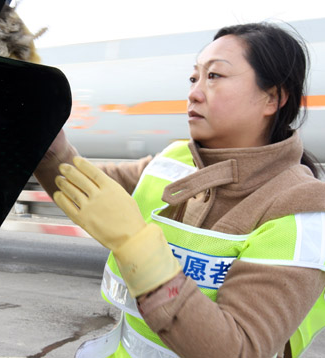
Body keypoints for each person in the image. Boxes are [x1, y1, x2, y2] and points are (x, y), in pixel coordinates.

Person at [33, 22, 325, 358]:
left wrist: (135, 243)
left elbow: (240, 349)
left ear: (271, 98)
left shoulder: (299, 210)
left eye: (214, 76)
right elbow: (84, 186)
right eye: (194, 77)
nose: (195, 92)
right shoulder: (174, 159)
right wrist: (46, 144)